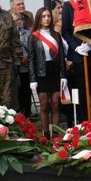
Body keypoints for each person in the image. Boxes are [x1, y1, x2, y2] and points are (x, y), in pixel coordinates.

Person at [28, 7, 67, 137]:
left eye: (48, 16)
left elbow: (61, 56)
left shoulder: (56, 35)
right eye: (44, 16)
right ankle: (45, 134)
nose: (46, 19)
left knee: (56, 104)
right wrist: (32, 79)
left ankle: (55, 132)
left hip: (54, 71)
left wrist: (63, 75)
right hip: (41, 73)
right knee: (44, 105)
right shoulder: (33, 37)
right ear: (39, 18)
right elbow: (31, 59)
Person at [13, 11, 33, 116]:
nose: (19, 22)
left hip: (26, 67)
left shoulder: (27, 33)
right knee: (18, 91)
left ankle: (28, 112)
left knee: (26, 90)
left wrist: (27, 57)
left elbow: (32, 48)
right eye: (17, 20)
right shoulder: (10, 34)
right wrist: (19, 58)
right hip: (15, 67)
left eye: (20, 19)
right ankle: (19, 112)